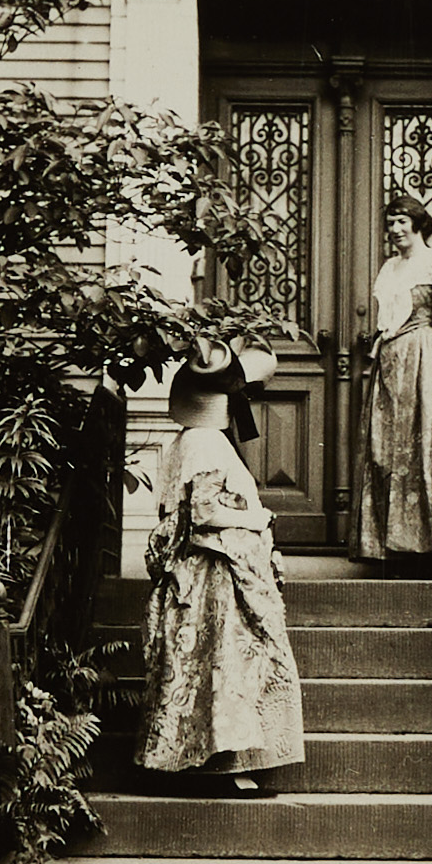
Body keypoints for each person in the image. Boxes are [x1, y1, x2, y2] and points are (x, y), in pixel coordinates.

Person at [136, 337, 304, 796]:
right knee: (224, 666)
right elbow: (206, 513)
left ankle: (207, 764)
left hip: (208, 568)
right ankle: (223, 770)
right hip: (212, 574)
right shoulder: (206, 442)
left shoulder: (189, 440)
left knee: (212, 668)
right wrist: (257, 518)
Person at [350, 193, 432, 574]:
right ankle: (390, 548)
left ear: (418, 223)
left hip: (423, 362)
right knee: (385, 449)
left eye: (403, 221)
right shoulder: (389, 268)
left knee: (423, 447)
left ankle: (428, 550)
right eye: (390, 222)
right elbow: (386, 320)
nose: (395, 229)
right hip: (389, 365)